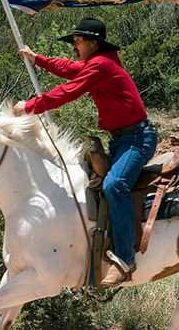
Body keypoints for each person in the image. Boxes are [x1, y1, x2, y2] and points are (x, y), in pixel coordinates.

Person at [14, 17, 157, 286]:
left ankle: (126, 259)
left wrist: (30, 106)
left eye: (78, 41)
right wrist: (38, 60)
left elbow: (70, 90)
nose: (74, 46)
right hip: (120, 140)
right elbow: (71, 69)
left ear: (93, 43)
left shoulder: (101, 65)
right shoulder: (99, 64)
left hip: (137, 139)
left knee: (115, 186)